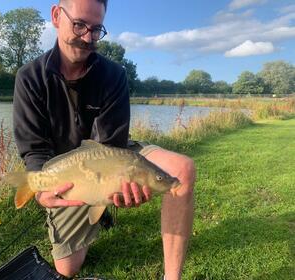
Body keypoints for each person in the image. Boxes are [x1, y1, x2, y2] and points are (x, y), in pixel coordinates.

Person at [13, 0, 195, 279]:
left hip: (112, 155)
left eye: (96, 29)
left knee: (181, 171)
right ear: (55, 16)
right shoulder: (30, 77)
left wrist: (115, 183)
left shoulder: (114, 75)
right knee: (68, 268)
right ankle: (98, 212)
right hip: (66, 169)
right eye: (79, 25)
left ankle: (172, 277)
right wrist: (40, 187)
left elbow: (112, 144)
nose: (87, 37)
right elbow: (34, 148)